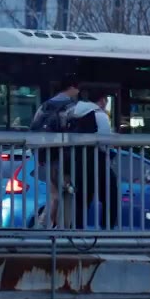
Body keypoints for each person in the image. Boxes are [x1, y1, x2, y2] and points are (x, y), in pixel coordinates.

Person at [29, 78, 80, 228]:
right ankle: (60, 229)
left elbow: (34, 129)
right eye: (77, 89)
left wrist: (38, 154)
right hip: (67, 158)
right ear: (71, 88)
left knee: (54, 195)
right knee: (68, 193)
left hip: (49, 157)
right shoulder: (72, 106)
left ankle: (44, 227)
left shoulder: (45, 106)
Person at [66, 91, 118, 228]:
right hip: (97, 161)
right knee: (111, 195)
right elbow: (104, 141)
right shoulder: (100, 115)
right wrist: (110, 153)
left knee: (82, 199)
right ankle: (107, 228)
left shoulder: (73, 112)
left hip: (78, 161)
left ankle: (77, 230)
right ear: (102, 100)